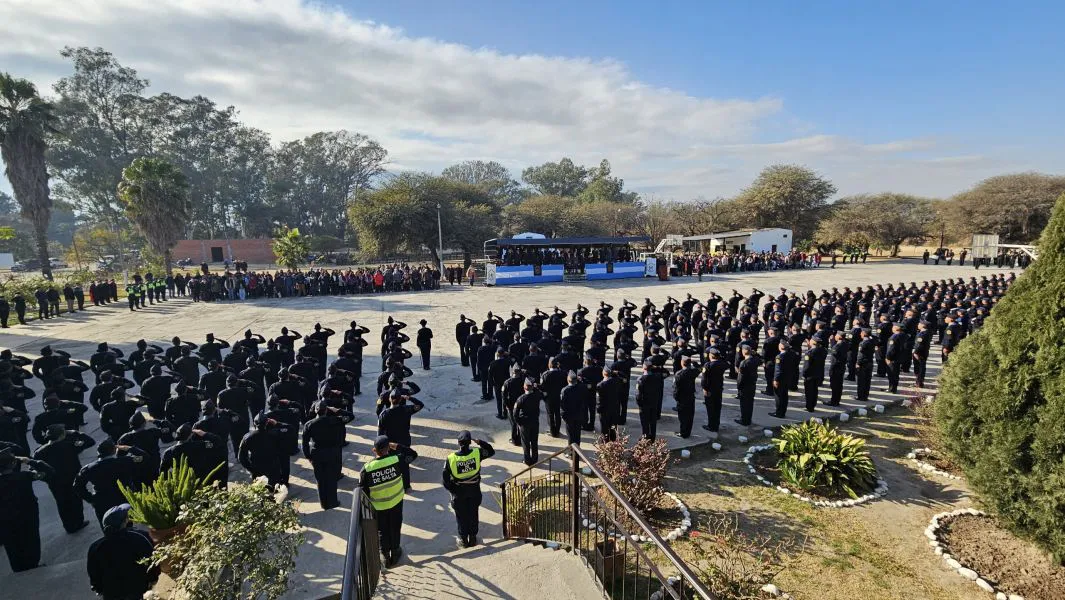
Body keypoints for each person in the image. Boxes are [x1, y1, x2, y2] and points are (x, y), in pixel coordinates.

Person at [360, 435, 416, 568]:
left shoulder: (367, 469)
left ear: (374, 450)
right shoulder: (396, 460)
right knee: (395, 526)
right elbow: (413, 455)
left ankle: (384, 554)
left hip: (379, 506)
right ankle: (395, 551)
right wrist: (397, 446)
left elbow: (363, 491)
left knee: (382, 529)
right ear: (388, 448)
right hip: (396, 501)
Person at [86, 503, 159, 600]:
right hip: (139, 589)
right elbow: (153, 560)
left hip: (111, 594)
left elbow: (94, 575)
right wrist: (153, 579)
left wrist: (99, 589)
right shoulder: (139, 537)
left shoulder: (95, 547)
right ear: (125, 522)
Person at [33, 424, 95, 533]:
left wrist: (47, 479)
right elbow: (90, 441)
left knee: (62, 504)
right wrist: (75, 432)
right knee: (75, 501)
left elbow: (35, 469)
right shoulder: (69, 445)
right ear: (62, 435)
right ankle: (78, 522)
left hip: (55, 482)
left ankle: (69, 526)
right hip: (72, 478)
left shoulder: (39, 452)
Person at [0, 451, 54, 572]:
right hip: (27, 513)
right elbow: (48, 472)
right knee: (31, 538)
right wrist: (30, 461)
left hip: (5, 517)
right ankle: (32, 563)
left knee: (11, 542)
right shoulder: (25, 476)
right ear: (13, 463)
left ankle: (17, 566)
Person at [442, 431, 495, 548]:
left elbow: (445, 479)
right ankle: (473, 538)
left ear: (458, 443)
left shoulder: (451, 458)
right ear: (470, 442)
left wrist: (452, 490)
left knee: (461, 516)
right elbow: (491, 451)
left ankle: (463, 540)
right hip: (474, 491)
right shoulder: (477, 453)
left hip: (459, 493)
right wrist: (480, 442)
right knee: (473, 513)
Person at [74, 440, 147, 525]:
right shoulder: (125, 461)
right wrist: (128, 448)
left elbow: (77, 486)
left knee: (108, 527)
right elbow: (144, 457)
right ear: (114, 450)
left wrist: (91, 499)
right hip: (124, 500)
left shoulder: (88, 469)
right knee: (127, 527)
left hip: (103, 503)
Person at [303, 402, 354, 510]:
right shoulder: (335, 420)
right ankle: (333, 502)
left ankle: (324, 504)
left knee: (320, 480)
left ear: (316, 411)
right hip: (332, 453)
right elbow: (351, 416)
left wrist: (308, 457)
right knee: (331, 479)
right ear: (326, 410)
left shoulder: (309, 424)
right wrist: (337, 410)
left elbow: (304, 443)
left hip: (317, 454)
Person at [514, 378, 542, 464]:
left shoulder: (521, 399)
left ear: (524, 387)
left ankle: (527, 460)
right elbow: (539, 391)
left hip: (525, 423)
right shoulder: (537, 395)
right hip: (535, 421)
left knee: (525, 442)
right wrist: (534, 387)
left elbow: (515, 413)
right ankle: (535, 459)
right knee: (534, 441)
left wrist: (519, 423)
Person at [635, 360, 664, 440]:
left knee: (645, 422)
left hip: (644, 404)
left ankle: (645, 438)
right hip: (654, 402)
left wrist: (639, 403)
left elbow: (638, 394)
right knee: (653, 421)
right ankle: (652, 438)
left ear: (644, 368)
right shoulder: (657, 377)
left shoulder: (641, 379)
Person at [701, 348, 727, 434]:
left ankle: (711, 426)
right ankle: (716, 425)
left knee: (711, 409)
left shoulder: (708, 365)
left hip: (710, 390)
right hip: (718, 389)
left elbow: (704, 379)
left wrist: (705, 389)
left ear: (711, 355)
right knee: (717, 408)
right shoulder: (722, 364)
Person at [673, 357, 699, 438]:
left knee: (683, 417)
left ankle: (683, 433)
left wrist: (676, 397)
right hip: (691, 396)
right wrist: (694, 363)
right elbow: (699, 369)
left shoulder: (679, 374)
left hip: (682, 398)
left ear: (682, 363)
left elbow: (676, 388)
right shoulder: (693, 371)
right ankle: (687, 432)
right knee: (690, 415)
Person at [735, 345, 761, 426]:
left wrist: (738, 387)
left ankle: (744, 421)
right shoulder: (755, 360)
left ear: (743, 352)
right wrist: (755, 353)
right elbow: (759, 358)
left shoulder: (744, 363)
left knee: (744, 405)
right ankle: (748, 419)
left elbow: (740, 378)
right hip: (752, 384)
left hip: (744, 386)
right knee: (750, 404)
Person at [772, 340, 798, 418]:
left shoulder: (779, 357)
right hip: (787, 377)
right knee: (784, 395)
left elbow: (778, 370)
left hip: (780, 379)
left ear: (781, 347)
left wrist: (776, 380)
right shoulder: (792, 354)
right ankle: (782, 412)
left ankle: (778, 413)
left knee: (779, 396)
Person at [559, 371, 585, 446]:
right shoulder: (581, 388)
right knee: (577, 434)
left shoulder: (565, 390)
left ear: (568, 380)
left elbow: (562, 405)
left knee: (570, 434)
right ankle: (577, 449)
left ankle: (571, 450)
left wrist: (563, 415)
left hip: (569, 416)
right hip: (579, 414)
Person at [801, 338, 827, 412]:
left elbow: (807, 366)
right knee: (815, 390)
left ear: (813, 342)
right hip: (818, 373)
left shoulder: (809, 353)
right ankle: (813, 405)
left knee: (809, 391)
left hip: (810, 375)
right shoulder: (823, 350)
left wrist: (803, 374)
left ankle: (809, 407)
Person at [828, 332, 849, 405]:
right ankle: (837, 401)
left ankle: (833, 401)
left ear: (839, 337)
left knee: (834, 385)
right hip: (841, 367)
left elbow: (833, 354)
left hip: (836, 368)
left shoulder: (837, 346)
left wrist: (831, 342)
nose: (835, 336)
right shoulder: (845, 344)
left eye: (836, 335)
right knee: (839, 385)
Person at [912, 321, 933, 388]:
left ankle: (919, 383)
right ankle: (919, 382)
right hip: (924, 352)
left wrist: (916, 352)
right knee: (921, 367)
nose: (918, 325)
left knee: (919, 368)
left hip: (920, 353)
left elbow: (919, 345)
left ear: (923, 325)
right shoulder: (927, 332)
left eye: (919, 324)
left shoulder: (922, 334)